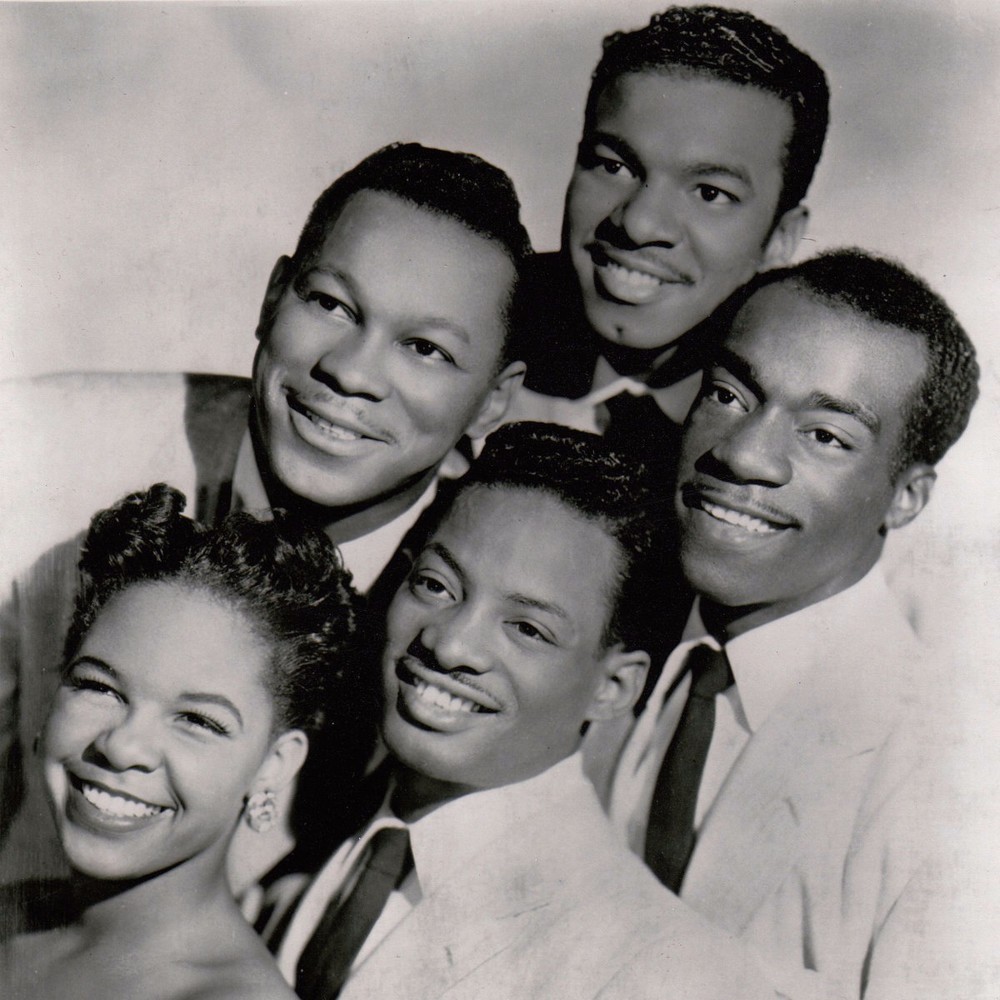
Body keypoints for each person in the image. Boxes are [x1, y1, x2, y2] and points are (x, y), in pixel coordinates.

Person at [0, 142, 529, 884]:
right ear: (273, 296)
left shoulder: (481, 610)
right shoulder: (36, 447)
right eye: (331, 305)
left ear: (494, 401)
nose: (350, 372)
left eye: (424, 348)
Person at [587, 249, 980, 998]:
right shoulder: (610, 634)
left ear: (906, 497)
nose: (742, 455)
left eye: (825, 435)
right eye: (729, 394)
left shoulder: (946, 785)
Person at [266, 423, 771, 1000]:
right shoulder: (332, 833)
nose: (449, 645)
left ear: (614, 687)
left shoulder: (656, 971)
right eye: (435, 585)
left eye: (528, 629)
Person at [0, 484, 372, 999]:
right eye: (99, 687)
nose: (122, 747)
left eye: (197, 720)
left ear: (274, 764)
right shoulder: (17, 910)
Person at [508, 4, 829, 461]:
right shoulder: (475, 330)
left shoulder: (792, 438)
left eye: (710, 193)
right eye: (613, 166)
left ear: (780, 237)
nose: (638, 224)